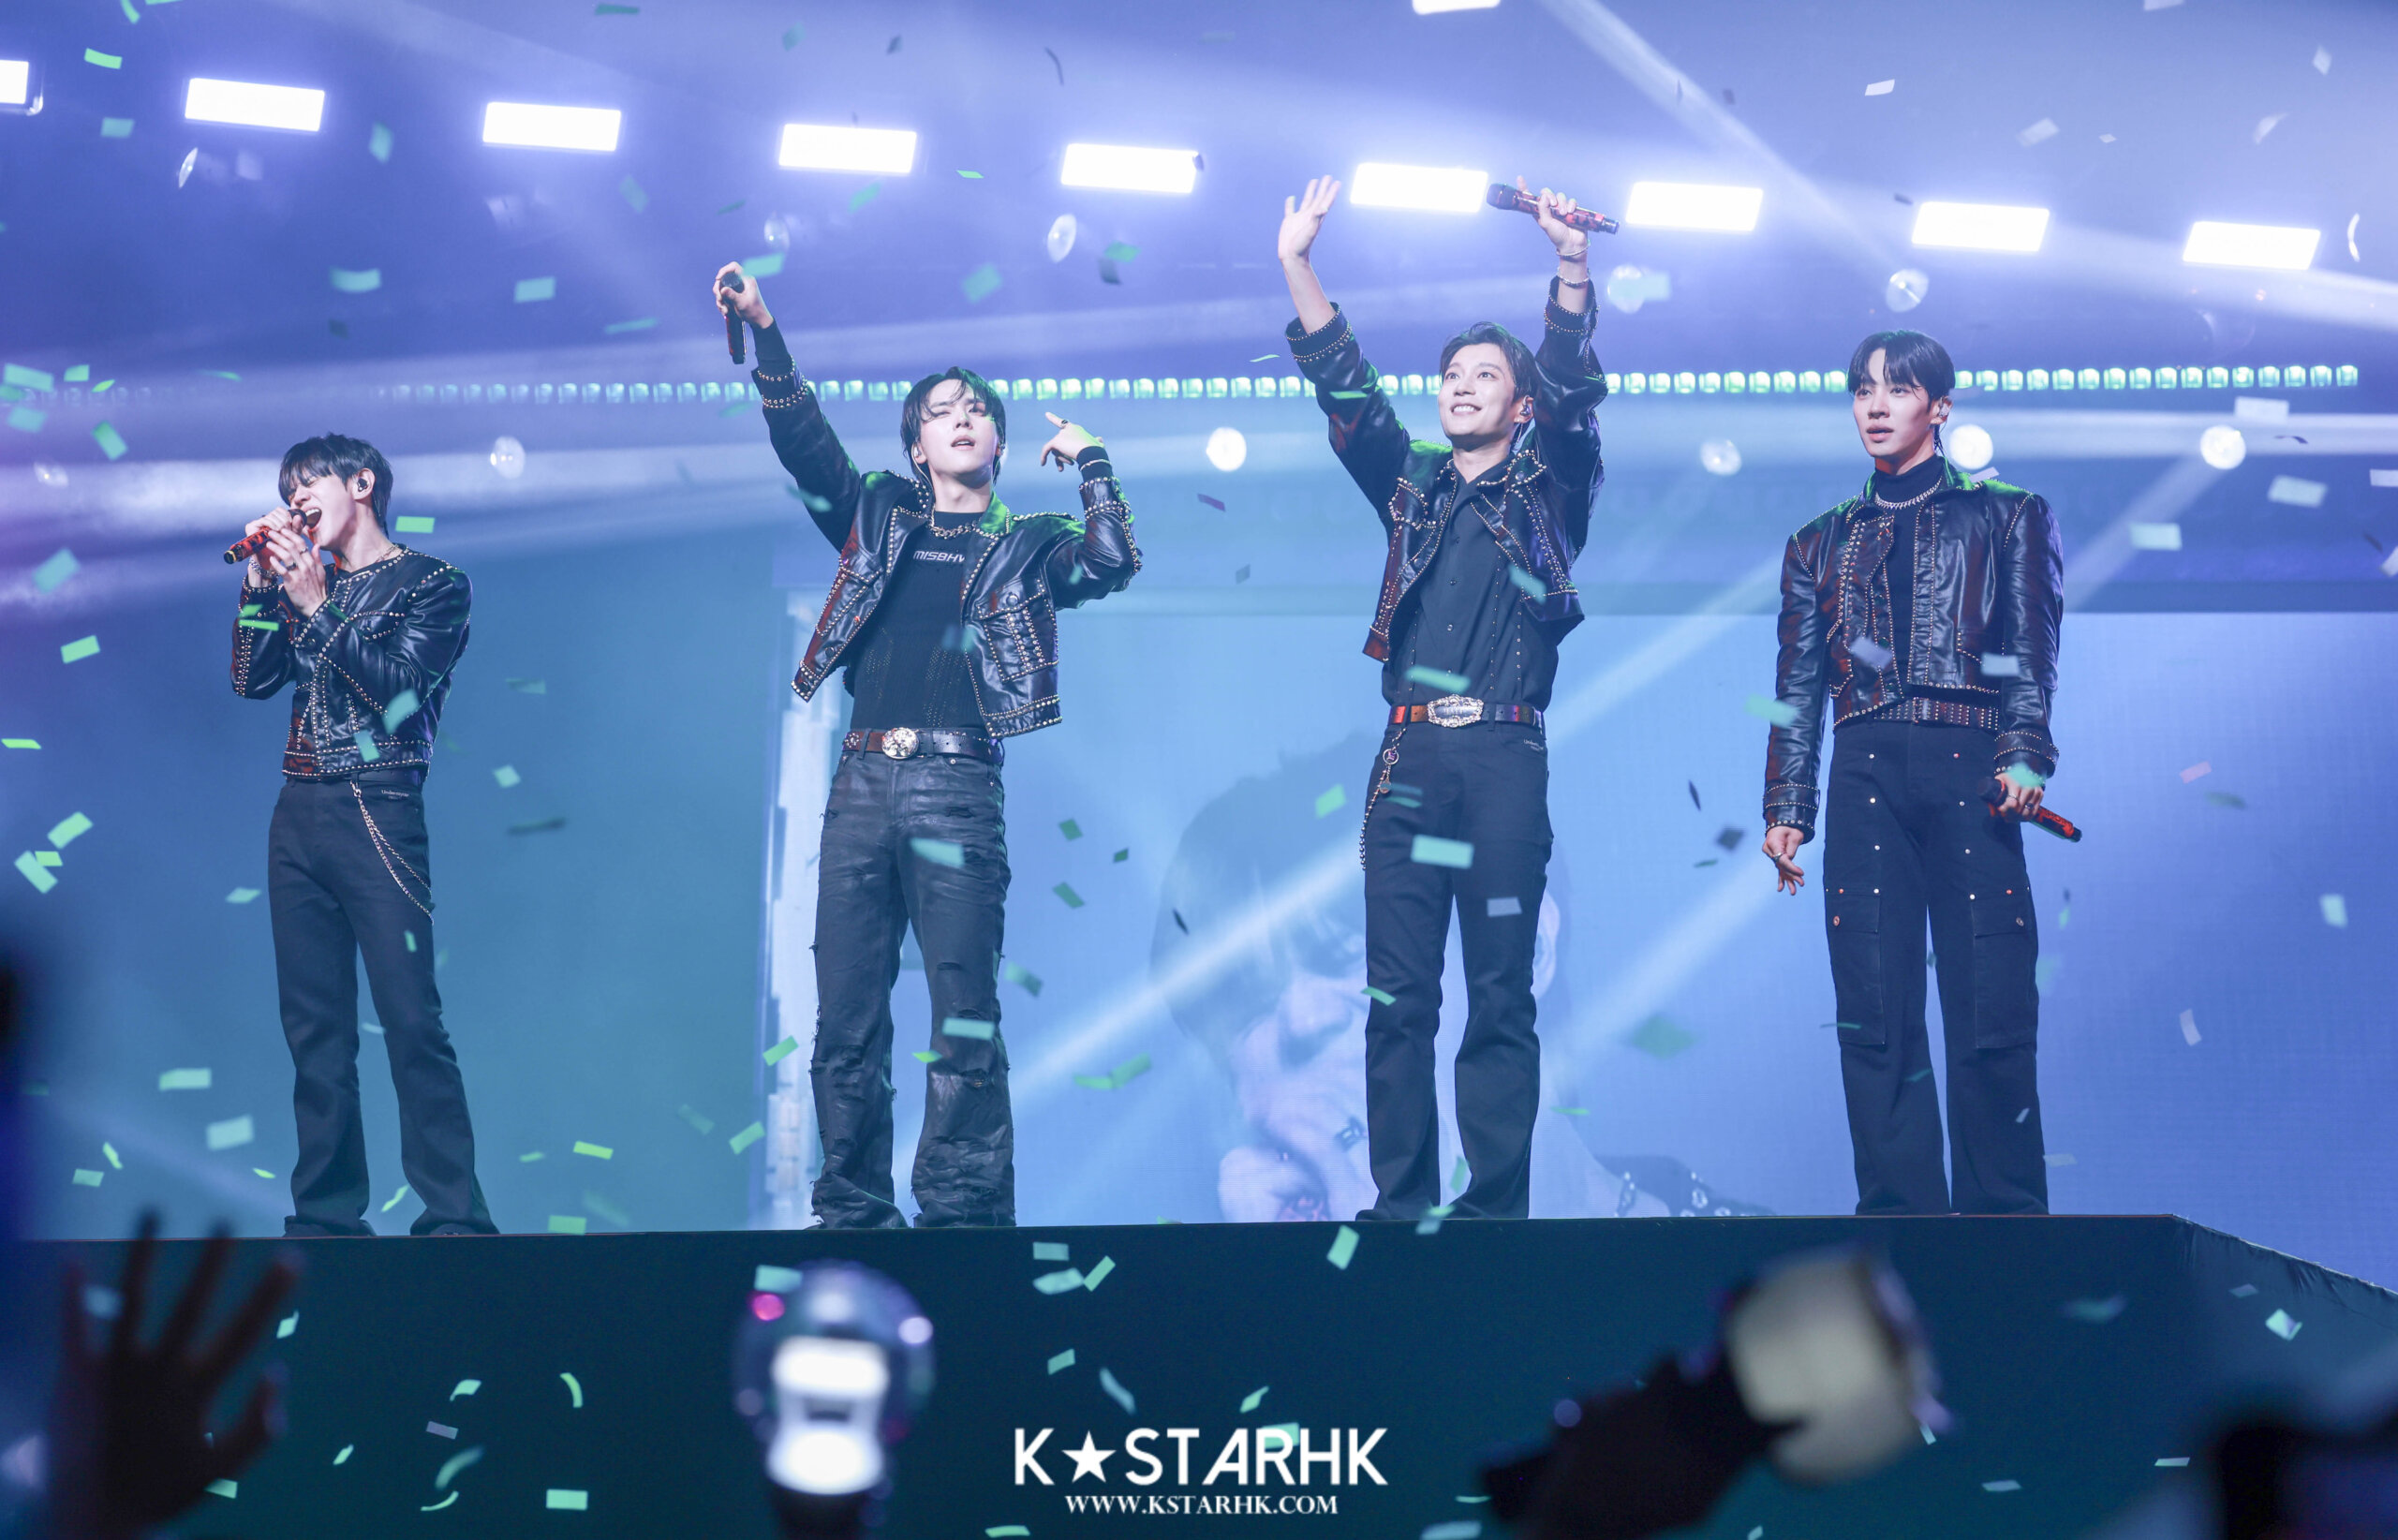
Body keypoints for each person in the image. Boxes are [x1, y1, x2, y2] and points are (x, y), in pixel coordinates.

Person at [714, 261, 1140, 1229]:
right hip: (863, 777)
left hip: (958, 785)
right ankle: (852, 1205)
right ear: (916, 444)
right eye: (942, 411)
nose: (961, 418)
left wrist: (1095, 463)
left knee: (963, 1012)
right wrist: (766, 329)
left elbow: (1112, 559)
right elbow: (803, 441)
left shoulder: (1029, 541)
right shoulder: (876, 512)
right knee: (846, 1014)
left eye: (977, 410)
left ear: (998, 442)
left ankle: (962, 1211)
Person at [1273, 175, 1607, 1222]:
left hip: (1504, 759)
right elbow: (1349, 394)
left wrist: (1569, 266)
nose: (1460, 388)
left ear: (1520, 405)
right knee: (1398, 997)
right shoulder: (1412, 483)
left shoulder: (1551, 486)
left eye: (1484, 376)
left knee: (1500, 992)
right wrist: (1298, 263)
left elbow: (1570, 387)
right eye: (1451, 376)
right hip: (1409, 762)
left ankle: (1493, 1210)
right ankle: (1400, 1202)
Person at [1758, 331, 2064, 1217]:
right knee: (1875, 1008)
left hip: (1970, 764)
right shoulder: (1818, 541)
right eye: (1863, 390)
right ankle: (1901, 1224)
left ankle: (2007, 1227)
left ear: (1940, 406)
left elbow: (2028, 649)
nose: (1876, 405)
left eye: (1896, 389)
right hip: (1864, 774)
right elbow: (1798, 686)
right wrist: (1788, 803)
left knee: (1989, 1001)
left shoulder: (2006, 514)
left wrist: (2023, 749)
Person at [231, 435, 496, 1236]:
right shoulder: (305, 581)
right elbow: (250, 680)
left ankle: (454, 1214)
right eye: (286, 487)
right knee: (315, 1029)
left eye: (309, 481)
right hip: (298, 810)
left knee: (410, 1018)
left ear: (362, 483)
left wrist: (319, 610)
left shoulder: (433, 584)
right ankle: (326, 1214)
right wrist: (258, 590)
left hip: (378, 807)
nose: (295, 497)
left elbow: (401, 698)